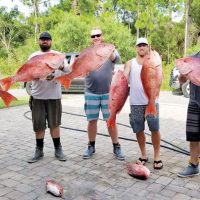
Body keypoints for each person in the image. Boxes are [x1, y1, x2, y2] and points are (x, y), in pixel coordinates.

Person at [82, 27, 125, 160]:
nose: (95, 38)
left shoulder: (110, 49)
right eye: (93, 36)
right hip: (91, 92)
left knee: (111, 120)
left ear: (102, 36)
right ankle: (91, 145)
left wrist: (106, 51)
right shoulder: (87, 52)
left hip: (108, 93)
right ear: (90, 39)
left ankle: (116, 146)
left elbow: (115, 59)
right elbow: (79, 66)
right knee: (92, 121)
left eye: (98, 35)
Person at [28, 32, 68, 163]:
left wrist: (61, 66)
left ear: (51, 41)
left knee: (54, 124)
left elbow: (68, 70)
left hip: (54, 97)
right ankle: (39, 150)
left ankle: (58, 149)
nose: (45, 41)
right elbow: (28, 73)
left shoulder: (58, 55)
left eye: (47, 39)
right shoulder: (33, 56)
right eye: (42, 39)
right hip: (37, 96)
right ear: (39, 41)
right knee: (38, 125)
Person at [123, 37, 163, 169]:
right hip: (135, 103)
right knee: (139, 130)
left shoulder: (155, 60)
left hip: (151, 101)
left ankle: (157, 156)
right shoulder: (130, 63)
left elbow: (160, 79)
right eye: (139, 45)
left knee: (155, 129)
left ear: (148, 47)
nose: (141, 47)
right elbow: (124, 79)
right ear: (136, 48)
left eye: (144, 45)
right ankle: (143, 154)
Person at [177, 51, 200, 177]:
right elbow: (181, 80)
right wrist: (182, 75)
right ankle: (194, 165)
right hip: (195, 101)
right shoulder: (191, 59)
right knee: (193, 134)